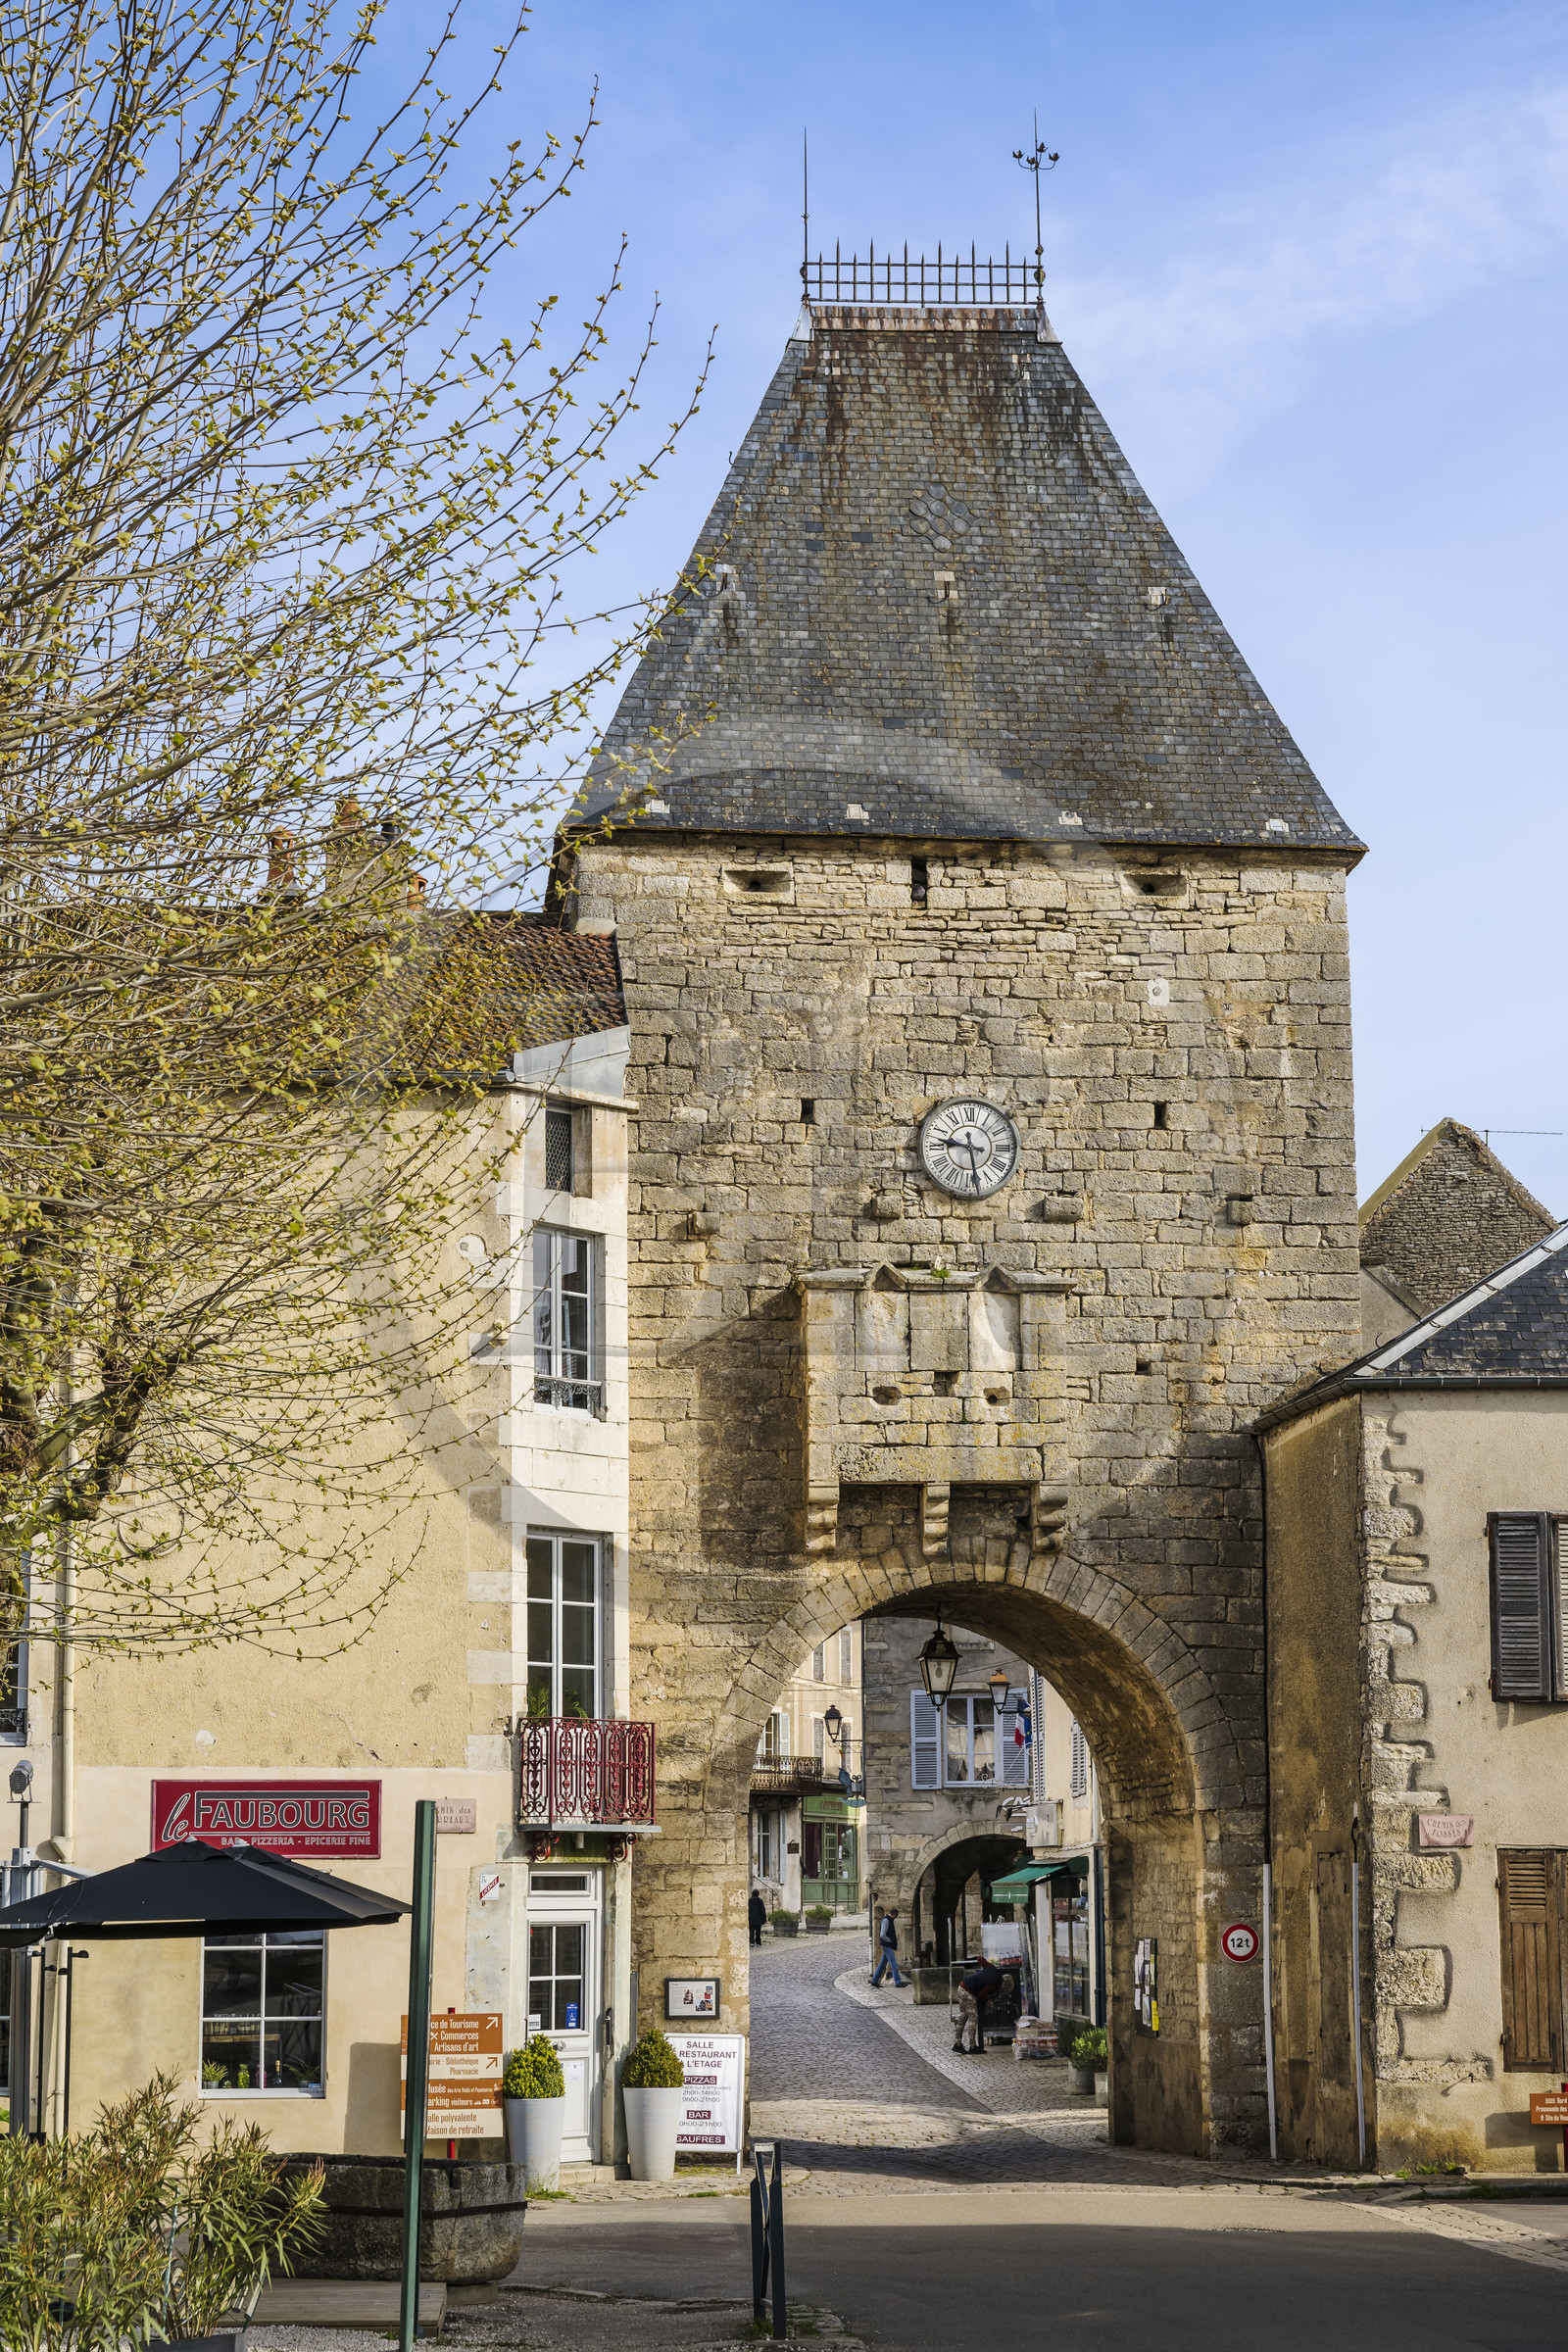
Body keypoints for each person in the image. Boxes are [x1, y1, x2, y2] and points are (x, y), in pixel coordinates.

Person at [955, 1962, 1015, 2053]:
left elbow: (980, 1959)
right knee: (973, 2019)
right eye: (1003, 1988)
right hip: (968, 1993)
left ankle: (957, 2043)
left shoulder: (992, 1968)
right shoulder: (994, 1983)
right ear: (1004, 1984)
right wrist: (987, 2001)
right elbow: (980, 1996)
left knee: (963, 2016)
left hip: (961, 1987)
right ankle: (972, 2047)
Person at [869, 1905, 906, 1988]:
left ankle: (874, 1980)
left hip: (887, 1945)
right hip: (887, 1945)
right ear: (895, 1914)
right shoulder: (886, 1920)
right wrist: (890, 1941)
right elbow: (882, 1935)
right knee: (893, 1964)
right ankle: (898, 1982)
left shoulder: (888, 1920)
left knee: (882, 1964)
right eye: (896, 1916)